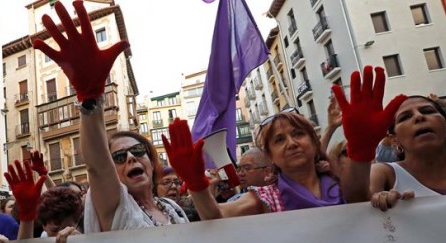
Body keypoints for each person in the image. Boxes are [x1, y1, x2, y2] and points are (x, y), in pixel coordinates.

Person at [164, 66, 405, 218]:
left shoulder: (344, 184)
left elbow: (360, 197)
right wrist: (196, 183)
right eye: (279, 139)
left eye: (298, 134)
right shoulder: (266, 198)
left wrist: (362, 151)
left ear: (313, 142)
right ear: (269, 156)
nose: (291, 143)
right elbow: (215, 215)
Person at [32, 1, 188, 233]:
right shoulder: (117, 205)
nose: (130, 159)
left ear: (151, 161)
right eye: (117, 157)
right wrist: (90, 95)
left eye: (137, 151)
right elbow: (96, 165)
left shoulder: (172, 207)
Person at [368, 96, 446, 210]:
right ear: (394, 139)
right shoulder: (383, 173)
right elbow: (358, 199)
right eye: (405, 117)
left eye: (428, 111)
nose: (419, 116)